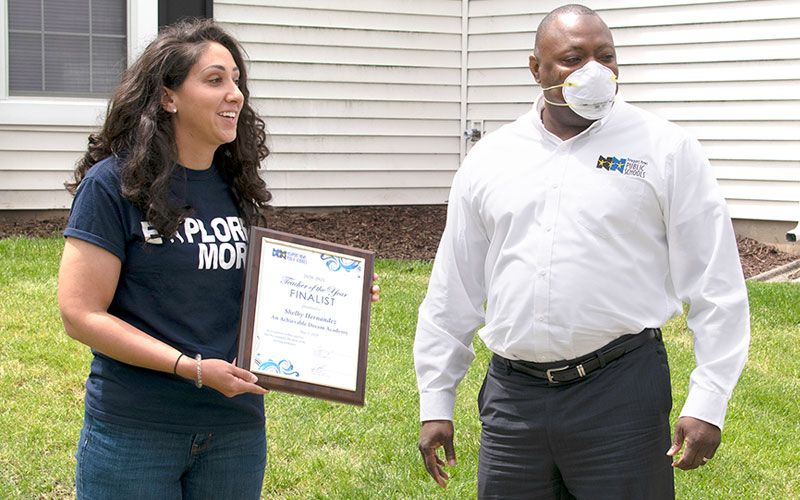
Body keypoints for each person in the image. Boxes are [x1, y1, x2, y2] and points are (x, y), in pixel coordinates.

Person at [414, 4, 749, 499]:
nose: (593, 72)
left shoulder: (665, 150)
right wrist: (436, 400)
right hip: (514, 400)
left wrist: (710, 400)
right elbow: (454, 287)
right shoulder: (491, 158)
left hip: (620, 393)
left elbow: (715, 282)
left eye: (606, 57)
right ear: (536, 69)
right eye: (573, 58)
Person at [58, 19, 378, 499]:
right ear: (168, 97)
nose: (235, 94)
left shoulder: (236, 189)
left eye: (236, 81)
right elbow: (80, 314)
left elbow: (257, 299)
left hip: (234, 431)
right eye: (215, 80)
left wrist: (342, 297)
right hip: (136, 430)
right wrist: (192, 368)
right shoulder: (112, 186)